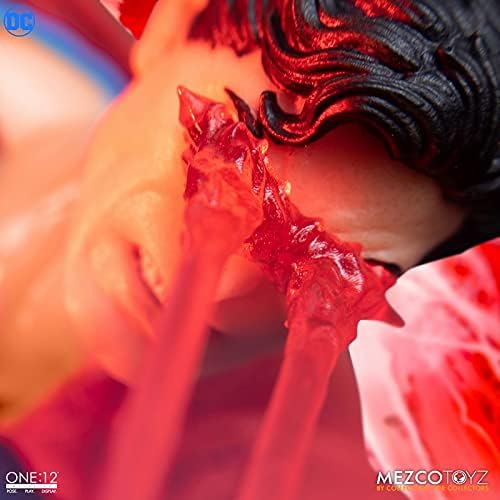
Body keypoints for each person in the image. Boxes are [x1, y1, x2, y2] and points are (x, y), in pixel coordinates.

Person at [0, 1, 498, 498]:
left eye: (323, 285)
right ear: (174, 23)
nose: (218, 288)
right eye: (215, 171)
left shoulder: (252, 459)